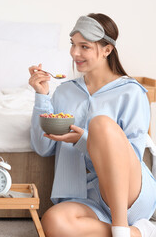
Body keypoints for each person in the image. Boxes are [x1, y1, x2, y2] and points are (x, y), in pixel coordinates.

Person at [29, 13, 156, 237]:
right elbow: (43, 148)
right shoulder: (65, 91)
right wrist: (42, 97)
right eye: (73, 45)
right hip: (85, 197)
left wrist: (84, 141)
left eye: (84, 46)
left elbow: (132, 157)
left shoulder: (131, 92)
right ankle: (138, 233)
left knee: (101, 125)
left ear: (107, 50)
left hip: (129, 193)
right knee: (53, 222)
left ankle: (120, 228)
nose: (74, 53)